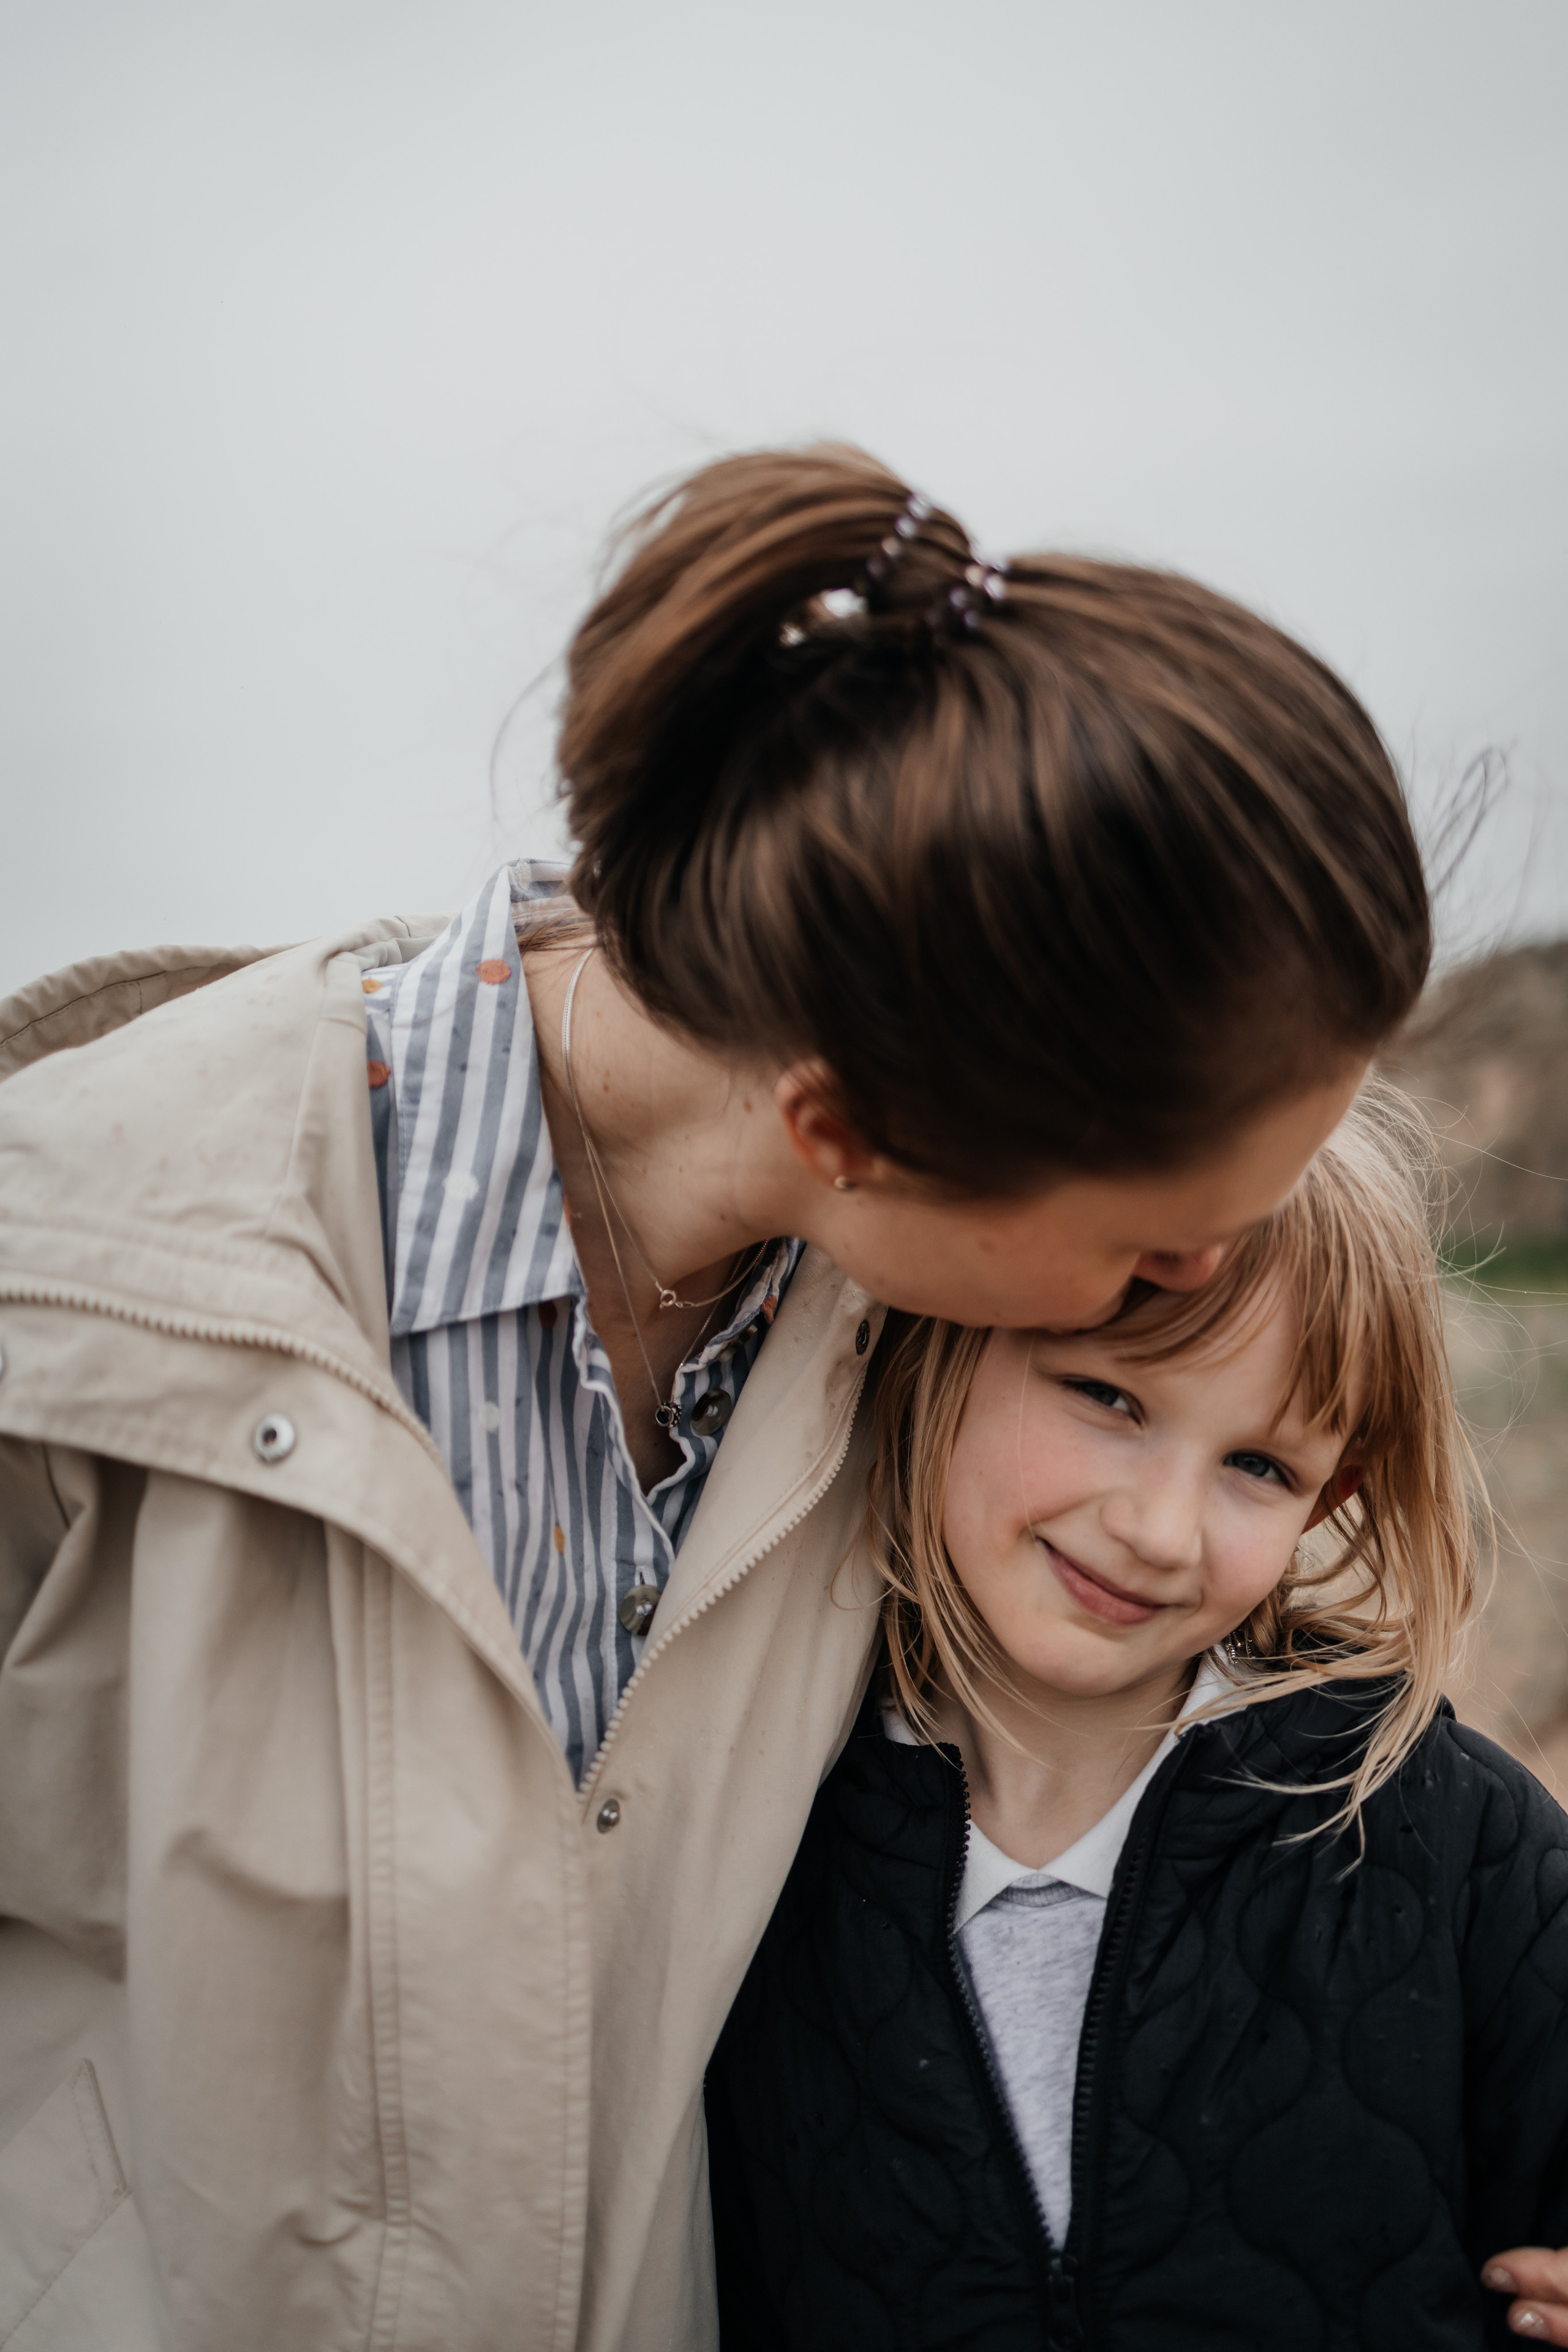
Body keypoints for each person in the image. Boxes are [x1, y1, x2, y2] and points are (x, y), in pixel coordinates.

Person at [0, 444, 1433, 2352]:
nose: (1191, 1297)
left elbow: (1214, 1770)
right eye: (1154, 1250)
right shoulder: (64, 1283)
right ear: (852, 1132)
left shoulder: (926, 1343)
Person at [706, 1083, 1568, 2351]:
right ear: (946, 1336)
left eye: (1257, 1466)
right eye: (1108, 1397)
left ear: (1333, 1499)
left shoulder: (1459, 1845)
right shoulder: (754, 1847)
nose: (1159, 1532)